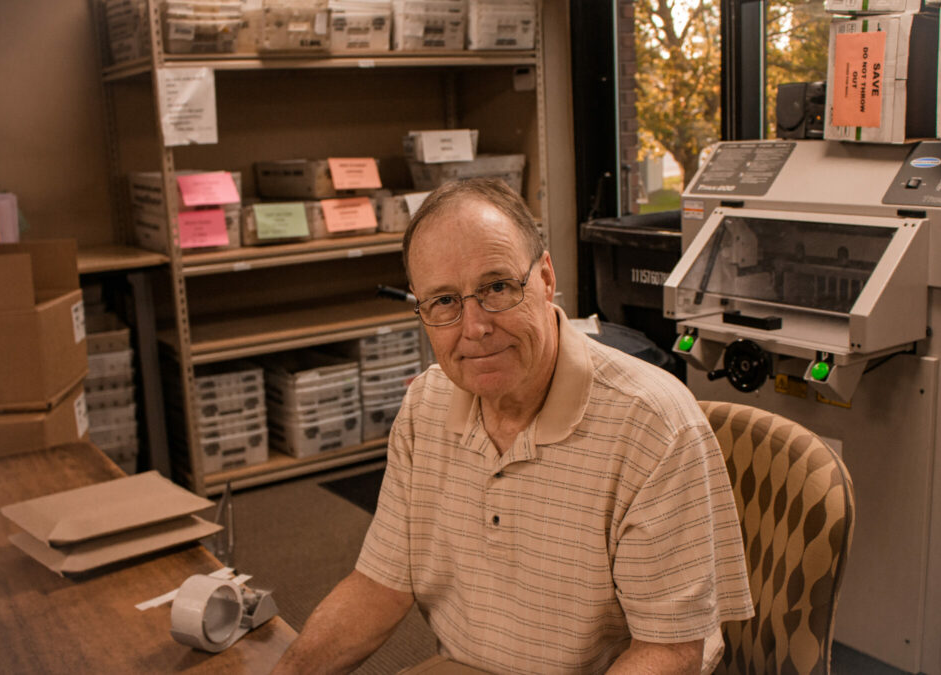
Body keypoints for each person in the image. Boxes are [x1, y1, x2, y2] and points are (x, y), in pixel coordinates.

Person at [273, 179, 754, 674]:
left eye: (497, 287)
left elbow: (667, 651)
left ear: (546, 278)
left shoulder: (652, 426)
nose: (475, 327)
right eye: (443, 302)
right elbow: (380, 584)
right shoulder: (425, 405)